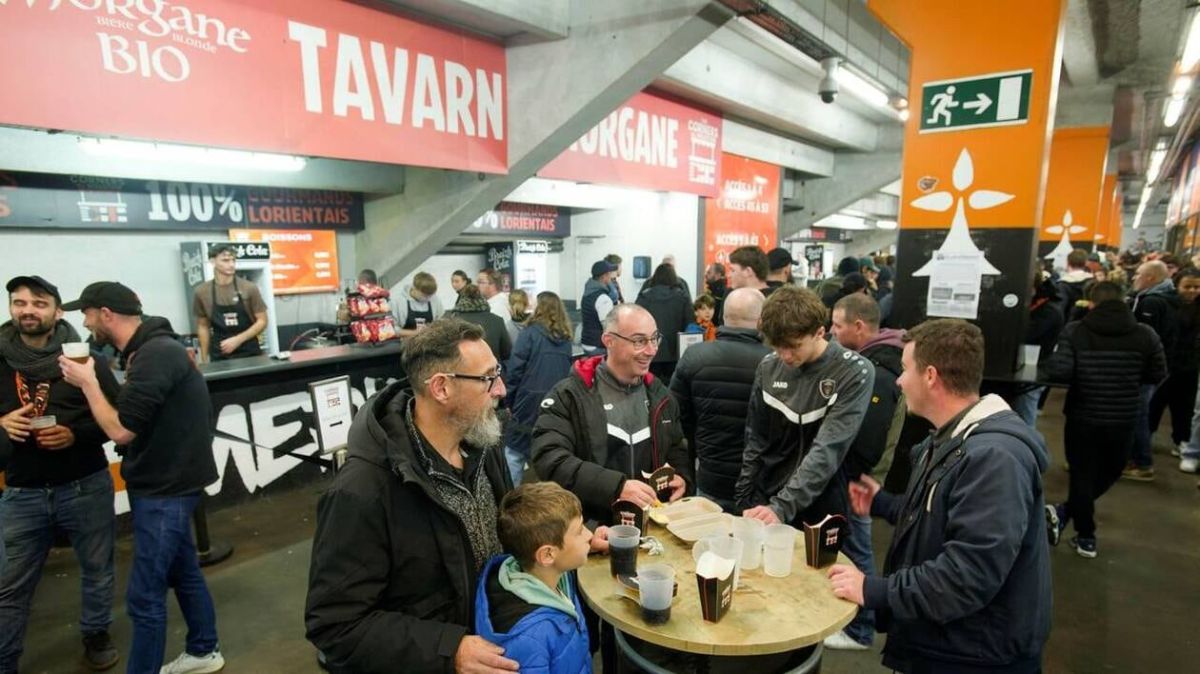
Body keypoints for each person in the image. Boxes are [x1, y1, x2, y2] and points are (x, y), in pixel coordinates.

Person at [828, 319, 1052, 674]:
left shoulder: (994, 459)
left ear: (930, 376)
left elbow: (967, 576)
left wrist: (873, 590)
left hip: (975, 655)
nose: (899, 382)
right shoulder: (951, 438)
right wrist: (884, 503)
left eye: (904, 370)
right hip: (948, 643)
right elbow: (944, 515)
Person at [306, 318, 516, 674]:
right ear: (441, 388)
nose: (501, 389)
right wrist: (448, 651)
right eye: (487, 378)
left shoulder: (483, 444)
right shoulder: (362, 491)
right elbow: (335, 626)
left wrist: (563, 535)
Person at [57, 282, 223, 674]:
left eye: (88, 313)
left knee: (144, 596)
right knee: (183, 572)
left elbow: (121, 431)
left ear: (106, 314)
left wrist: (89, 383)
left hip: (165, 489)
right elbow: (138, 412)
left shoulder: (154, 354)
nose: (85, 321)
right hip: (167, 483)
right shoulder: (147, 351)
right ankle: (204, 650)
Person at [0, 276, 121, 671]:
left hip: (85, 483)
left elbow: (117, 421)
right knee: (10, 587)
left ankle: (95, 634)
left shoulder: (85, 359)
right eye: (19, 303)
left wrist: (76, 435)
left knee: (98, 570)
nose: (28, 310)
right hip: (22, 493)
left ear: (57, 311)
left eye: (38, 303)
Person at [824, 292, 930, 651]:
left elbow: (867, 438)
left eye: (837, 326)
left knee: (857, 546)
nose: (832, 333)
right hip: (868, 475)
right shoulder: (876, 359)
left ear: (858, 326)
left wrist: (848, 474)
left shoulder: (879, 371)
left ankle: (860, 630)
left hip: (862, 477)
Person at [532, 304, 691, 526]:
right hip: (590, 531)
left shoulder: (661, 396)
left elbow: (676, 447)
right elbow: (550, 459)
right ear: (609, 341)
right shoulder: (569, 396)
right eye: (639, 341)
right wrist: (616, 488)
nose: (652, 350)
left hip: (653, 526)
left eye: (654, 339)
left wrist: (682, 476)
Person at [1041, 282, 1167, 558]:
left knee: (1082, 474)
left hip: (1082, 416)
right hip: (1124, 416)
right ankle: (1079, 527)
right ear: (1124, 301)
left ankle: (1079, 529)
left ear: (1091, 302)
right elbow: (1158, 373)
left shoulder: (1076, 331)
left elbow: (1060, 373)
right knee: (1110, 472)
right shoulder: (1145, 334)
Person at [735, 286, 873, 527]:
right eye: (777, 347)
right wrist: (744, 496)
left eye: (794, 346)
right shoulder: (769, 366)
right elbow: (755, 437)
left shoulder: (853, 371)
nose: (785, 356)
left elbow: (827, 449)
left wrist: (782, 506)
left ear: (820, 332)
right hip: (767, 495)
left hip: (820, 502)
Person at [669, 288, 770, 513]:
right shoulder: (774, 361)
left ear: (722, 316)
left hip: (709, 479)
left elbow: (676, 420)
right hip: (761, 486)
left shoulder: (694, 356)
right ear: (762, 320)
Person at [475, 483, 592, 674]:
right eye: (579, 531)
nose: (590, 535)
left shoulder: (556, 575)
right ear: (547, 555)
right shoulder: (530, 639)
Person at [502, 292, 574, 485]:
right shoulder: (566, 339)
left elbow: (515, 369)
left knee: (514, 452)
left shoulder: (529, 333)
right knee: (548, 449)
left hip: (528, 400)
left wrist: (508, 400)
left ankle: (511, 496)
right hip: (556, 400)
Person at [1124, 260, 1180, 481]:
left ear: (1150, 278)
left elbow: (1144, 339)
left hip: (1145, 370)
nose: (1134, 277)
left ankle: (1143, 462)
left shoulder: (1151, 303)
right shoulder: (1166, 299)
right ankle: (1135, 458)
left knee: (1138, 415)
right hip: (1155, 368)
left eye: (1138, 274)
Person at [1151, 267, 1200, 471]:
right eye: (1187, 286)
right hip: (1165, 364)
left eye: (1197, 287)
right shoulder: (1165, 304)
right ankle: (1144, 440)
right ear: (1177, 285)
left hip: (1190, 367)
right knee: (1154, 404)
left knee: (1185, 408)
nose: (1192, 291)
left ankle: (1183, 442)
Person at [192, 243, 267, 363]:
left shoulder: (249, 288)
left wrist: (238, 340)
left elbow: (262, 321)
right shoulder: (202, 291)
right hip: (220, 353)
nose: (231, 264)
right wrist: (204, 359)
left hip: (249, 352)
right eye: (225, 260)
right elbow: (203, 326)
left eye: (233, 260)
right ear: (212, 261)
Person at [1013, 273, 1065, 429]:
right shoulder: (1046, 307)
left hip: (1034, 372)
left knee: (1025, 420)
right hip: (1027, 371)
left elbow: (1027, 335)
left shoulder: (1048, 311)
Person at [635, 264, 691, 381]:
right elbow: (689, 324)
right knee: (672, 388)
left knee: (650, 385)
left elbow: (635, 322)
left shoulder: (644, 297)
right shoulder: (683, 297)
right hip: (675, 351)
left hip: (650, 350)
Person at [448, 284, 512, 363]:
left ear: (461, 300)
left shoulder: (451, 321)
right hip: (491, 371)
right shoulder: (497, 321)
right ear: (483, 299)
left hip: (461, 372)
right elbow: (507, 353)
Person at [580, 260, 618, 354]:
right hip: (597, 346)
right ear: (604, 276)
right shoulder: (603, 298)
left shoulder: (588, 293)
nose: (611, 276)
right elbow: (608, 327)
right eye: (609, 273)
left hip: (587, 342)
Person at [395, 271, 445, 338]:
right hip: (406, 343)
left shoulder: (434, 299)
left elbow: (441, 322)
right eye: (424, 296)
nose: (428, 298)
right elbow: (392, 330)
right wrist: (414, 333)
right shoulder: (398, 302)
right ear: (414, 288)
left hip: (429, 341)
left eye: (430, 296)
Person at [477, 268, 517, 344]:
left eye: (481, 282)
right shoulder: (500, 300)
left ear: (493, 285)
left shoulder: (497, 306)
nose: (477, 285)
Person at [1057, 249, 1093, 322]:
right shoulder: (1093, 282)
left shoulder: (1062, 284)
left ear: (1068, 262)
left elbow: (1060, 310)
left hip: (1068, 326)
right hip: (1090, 324)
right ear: (1086, 263)